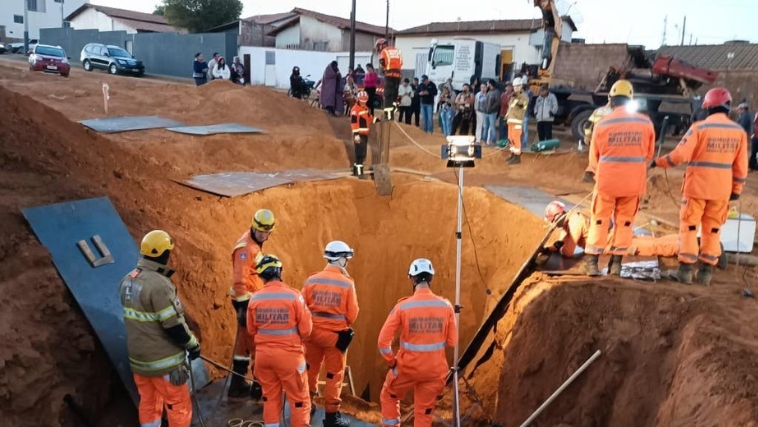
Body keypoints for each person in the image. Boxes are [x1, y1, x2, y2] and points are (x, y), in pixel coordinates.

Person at [651, 87, 748, 285]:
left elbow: (679, 156)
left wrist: (659, 162)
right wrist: (736, 190)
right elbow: (741, 167)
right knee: (713, 229)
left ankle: (685, 271)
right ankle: (705, 273)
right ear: (728, 108)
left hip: (696, 188)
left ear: (707, 107)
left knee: (689, 227)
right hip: (721, 190)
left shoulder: (699, 128)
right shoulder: (738, 132)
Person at [119, 230, 201, 427]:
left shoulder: (127, 280)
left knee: (148, 404)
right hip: (165, 363)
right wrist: (192, 345)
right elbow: (173, 324)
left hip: (139, 361)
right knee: (178, 405)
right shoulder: (160, 285)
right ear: (164, 254)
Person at [584, 80, 655, 276]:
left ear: (611, 100)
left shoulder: (602, 124)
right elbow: (648, 155)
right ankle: (616, 265)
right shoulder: (645, 123)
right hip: (633, 183)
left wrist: (599, 173)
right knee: (624, 223)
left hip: (607, 182)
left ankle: (592, 263)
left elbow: (594, 158)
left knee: (600, 220)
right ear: (631, 99)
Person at [378, 259, 457, 427]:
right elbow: (453, 341)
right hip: (434, 372)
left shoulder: (403, 307)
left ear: (412, 279)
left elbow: (383, 342)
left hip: (407, 369)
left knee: (389, 396)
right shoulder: (446, 306)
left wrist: (392, 362)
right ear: (431, 279)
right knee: (424, 412)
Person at [247, 254, 312, 427]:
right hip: (290, 358)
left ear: (262, 277)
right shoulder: (294, 297)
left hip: (263, 358)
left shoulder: (255, 298)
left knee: (270, 399)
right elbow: (306, 331)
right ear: (280, 272)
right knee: (299, 401)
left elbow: (251, 330)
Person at [302, 241, 360, 427]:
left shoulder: (311, 280)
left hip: (311, 334)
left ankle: (307, 406)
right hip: (335, 338)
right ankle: (331, 418)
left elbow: (301, 308)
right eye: (346, 259)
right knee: (334, 375)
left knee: (310, 370)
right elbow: (352, 314)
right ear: (341, 259)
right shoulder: (347, 283)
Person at [229, 209, 276, 399]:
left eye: (266, 232)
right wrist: (242, 309)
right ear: (254, 227)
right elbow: (239, 281)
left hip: (250, 301)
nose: (263, 235)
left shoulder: (253, 243)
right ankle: (258, 387)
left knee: (244, 344)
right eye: (260, 231)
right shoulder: (246, 249)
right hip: (247, 303)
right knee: (258, 343)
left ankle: (237, 384)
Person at [540, 201, 679, 259]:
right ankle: (685, 240)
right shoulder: (574, 216)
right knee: (653, 241)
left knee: (654, 247)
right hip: (616, 236)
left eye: (552, 221)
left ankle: (685, 246)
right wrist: (551, 248)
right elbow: (564, 239)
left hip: (614, 243)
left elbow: (568, 251)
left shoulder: (574, 222)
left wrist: (561, 249)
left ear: (555, 217)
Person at [581, 97, 613, 182]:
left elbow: (587, 125)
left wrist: (587, 135)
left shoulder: (598, 110)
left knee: (595, 158)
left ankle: (589, 174)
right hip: (607, 139)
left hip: (595, 138)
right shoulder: (617, 112)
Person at [375, 38, 403, 119]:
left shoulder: (384, 51)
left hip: (389, 75)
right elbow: (401, 63)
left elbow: (382, 63)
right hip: (398, 76)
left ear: (382, 45)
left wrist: (383, 70)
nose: (378, 49)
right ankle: (392, 115)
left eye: (378, 46)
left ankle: (388, 117)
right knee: (394, 96)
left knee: (388, 96)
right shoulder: (398, 51)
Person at [349, 90, 375, 178]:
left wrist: (377, 120)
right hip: (359, 134)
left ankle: (356, 171)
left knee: (362, 153)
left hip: (365, 134)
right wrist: (356, 134)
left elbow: (369, 118)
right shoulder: (355, 110)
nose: (363, 103)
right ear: (358, 100)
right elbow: (354, 123)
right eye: (362, 101)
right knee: (360, 154)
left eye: (365, 101)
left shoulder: (366, 108)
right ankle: (360, 173)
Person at [505, 77, 529, 164]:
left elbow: (523, 106)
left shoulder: (524, 96)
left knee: (516, 139)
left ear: (521, 86)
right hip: (511, 120)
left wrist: (516, 99)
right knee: (510, 138)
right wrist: (506, 117)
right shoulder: (513, 97)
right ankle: (512, 155)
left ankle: (517, 157)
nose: (515, 88)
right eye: (514, 86)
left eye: (517, 86)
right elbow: (510, 108)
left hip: (517, 120)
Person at [483, 80, 501, 145]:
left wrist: (491, 109)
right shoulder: (489, 91)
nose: (486, 85)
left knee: (492, 127)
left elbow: (498, 102)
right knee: (485, 127)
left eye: (487, 83)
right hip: (486, 112)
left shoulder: (496, 92)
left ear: (490, 84)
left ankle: (494, 141)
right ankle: (484, 140)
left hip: (492, 112)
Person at [737, 103, 755, 168]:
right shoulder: (748, 115)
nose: (738, 111)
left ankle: (741, 165)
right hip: (747, 135)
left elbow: (741, 127)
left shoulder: (745, 116)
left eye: (739, 109)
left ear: (743, 109)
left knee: (741, 151)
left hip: (744, 135)